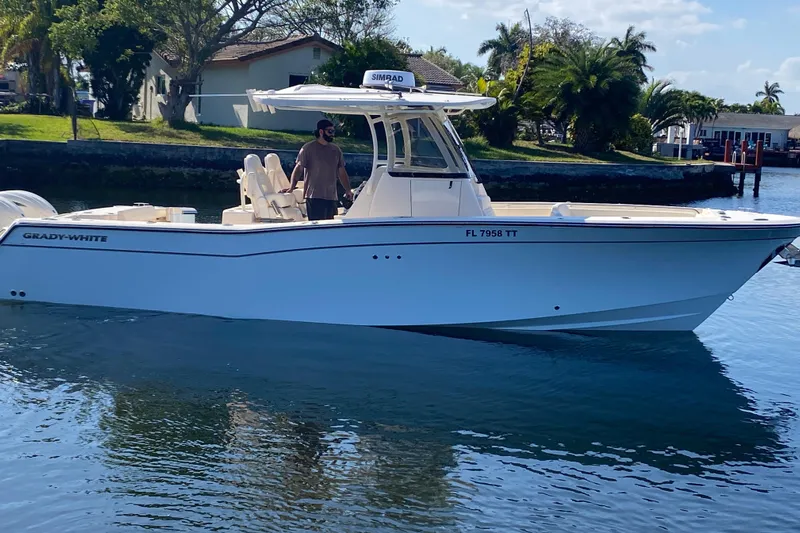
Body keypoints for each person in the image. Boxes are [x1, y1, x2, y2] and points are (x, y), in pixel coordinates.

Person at [282, 119, 353, 221]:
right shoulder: (308, 148)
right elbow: (298, 169)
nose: (332, 134)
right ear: (321, 132)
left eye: (333, 131)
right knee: (316, 226)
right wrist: (291, 187)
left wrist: (348, 190)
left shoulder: (336, 150)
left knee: (329, 227)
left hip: (331, 196)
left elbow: (341, 171)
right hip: (313, 196)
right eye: (330, 131)